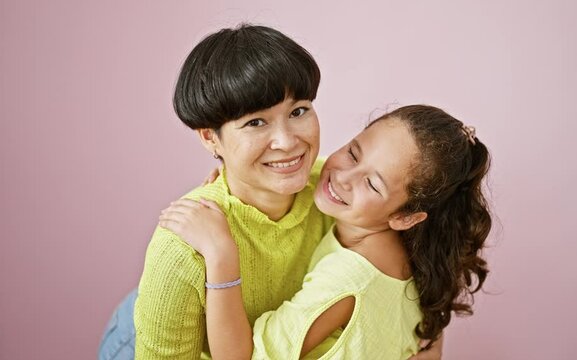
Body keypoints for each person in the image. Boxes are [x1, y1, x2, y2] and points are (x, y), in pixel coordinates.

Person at [98, 25, 444, 359]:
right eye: (255, 122)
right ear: (209, 137)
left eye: (298, 111)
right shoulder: (182, 247)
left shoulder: (333, 187)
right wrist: (222, 249)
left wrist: (427, 341)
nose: (287, 142)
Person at [160, 104, 491, 358]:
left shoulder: (346, 280)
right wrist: (240, 175)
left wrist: (220, 256)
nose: (344, 177)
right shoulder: (407, 243)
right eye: (352, 152)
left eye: (372, 184)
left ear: (406, 217)